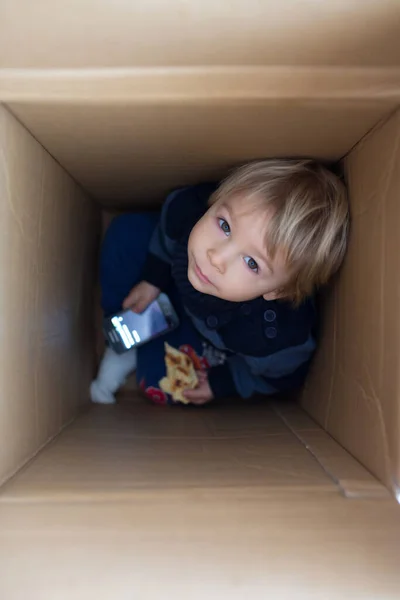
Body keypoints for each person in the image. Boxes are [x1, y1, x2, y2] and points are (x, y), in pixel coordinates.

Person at [90, 159, 349, 406]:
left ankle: (137, 346)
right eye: (224, 225)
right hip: (175, 278)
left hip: (214, 334)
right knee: (127, 233)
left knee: (163, 383)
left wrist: (222, 383)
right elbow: (169, 224)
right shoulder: (192, 211)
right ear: (216, 200)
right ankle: (124, 326)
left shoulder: (273, 338)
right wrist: (152, 278)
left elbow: (286, 374)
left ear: (277, 291)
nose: (216, 257)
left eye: (251, 263)